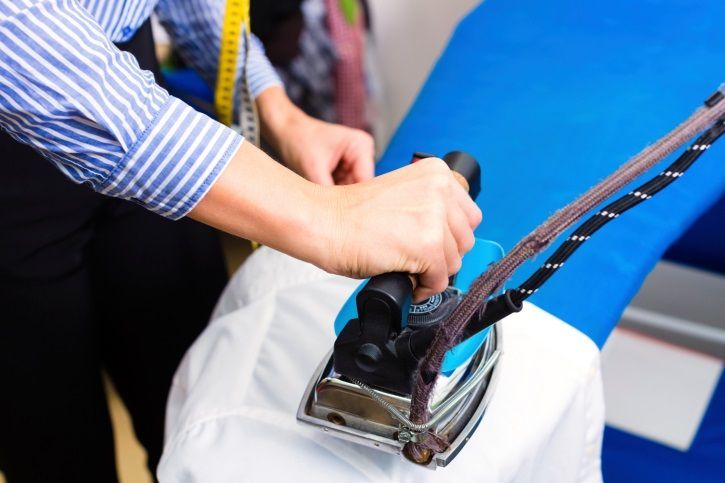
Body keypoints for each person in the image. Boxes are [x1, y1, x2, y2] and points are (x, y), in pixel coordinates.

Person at [0, 1, 481, 482]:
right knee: (54, 442)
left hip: (131, 78)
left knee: (195, 394)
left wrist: (279, 112)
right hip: (33, 124)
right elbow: (18, 37)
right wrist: (328, 218)